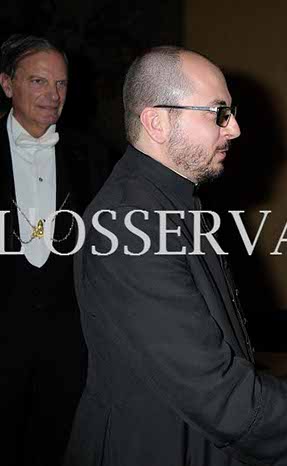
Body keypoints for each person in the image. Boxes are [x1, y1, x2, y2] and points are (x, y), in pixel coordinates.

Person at [64, 46, 287, 466]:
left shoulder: (166, 202)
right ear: (156, 122)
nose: (235, 128)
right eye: (218, 113)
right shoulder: (128, 223)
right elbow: (213, 389)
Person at [0, 34, 111, 466]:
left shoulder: (92, 155)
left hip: (67, 341)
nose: (53, 94)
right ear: (7, 84)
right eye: (38, 81)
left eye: (61, 83)